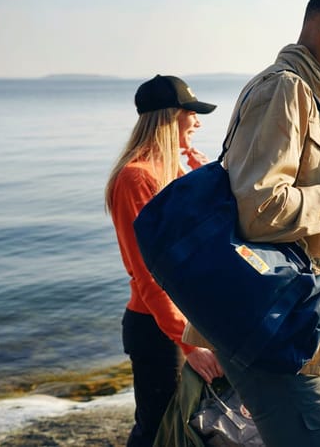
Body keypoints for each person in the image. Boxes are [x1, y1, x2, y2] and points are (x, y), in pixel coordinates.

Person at [191, 0, 320, 446]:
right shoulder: (284, 90)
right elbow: (260, 210)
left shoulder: (312, 98)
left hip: (290, 325)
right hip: (273, 331)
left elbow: (303, 241)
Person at [104, 74, 225, 447]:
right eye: (193, 113)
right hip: (157, 330)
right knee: (157, 431)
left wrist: (207, 174)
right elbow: (149, 275)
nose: (199, 121)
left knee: (185, 427)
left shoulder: (172, 171)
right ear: (172, 117)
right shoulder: (134, 179)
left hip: (184, 320)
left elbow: (210, 237)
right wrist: (189, 344)